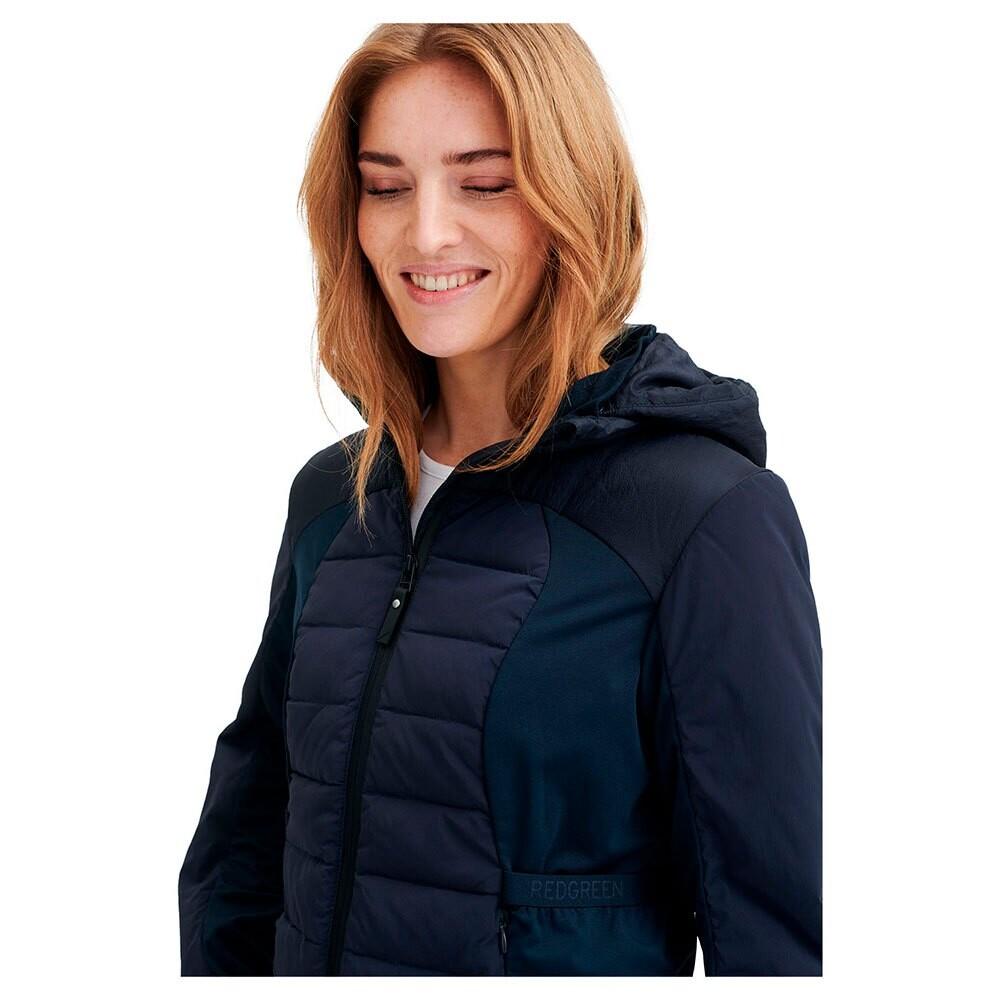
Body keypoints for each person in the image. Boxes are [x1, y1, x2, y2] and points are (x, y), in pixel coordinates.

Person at [178, 23, 822, 977]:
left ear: (575, 195)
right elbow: (242, 852)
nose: (426, 232)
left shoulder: (700, 517)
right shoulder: (334, 498)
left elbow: (771, 939)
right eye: (386, 186)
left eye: (483, 183)